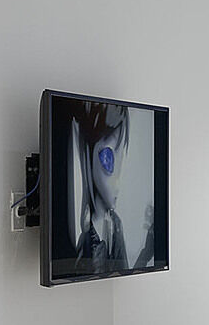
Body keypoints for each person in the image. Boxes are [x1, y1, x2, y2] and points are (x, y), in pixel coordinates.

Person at [66, 100, 156, 277]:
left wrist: (148, 249)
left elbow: (123, 274)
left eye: (122, 154)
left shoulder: (115, 224)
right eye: (109, 155)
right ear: (87, 153)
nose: (119, 180)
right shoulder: (87, 247)